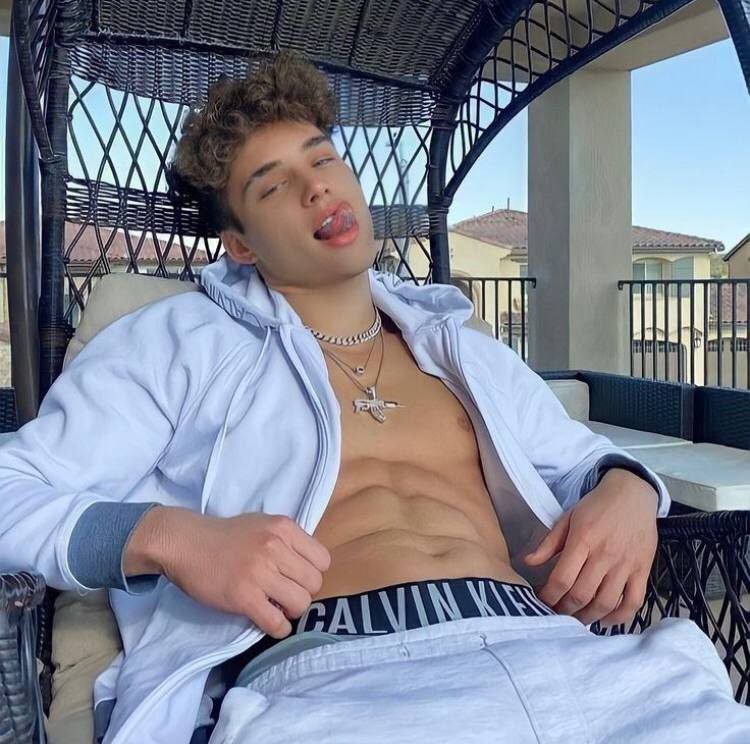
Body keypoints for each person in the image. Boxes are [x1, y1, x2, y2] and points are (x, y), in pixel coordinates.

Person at [0, 51, 746, 744]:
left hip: (570, 657)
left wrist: (626, 488)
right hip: (337, 682)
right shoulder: (174, 342)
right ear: (242, 245)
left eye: (323, 159)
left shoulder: (458, 346)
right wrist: (174, 538)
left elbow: (581, 461)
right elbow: (13, 488)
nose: (316, 187)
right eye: (273, 185)